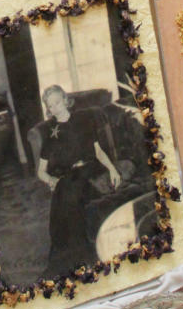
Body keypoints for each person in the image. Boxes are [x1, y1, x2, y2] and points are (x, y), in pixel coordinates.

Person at [36, 86, 122, 277]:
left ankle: (79, 257)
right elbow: (41, 171)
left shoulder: (84, 120)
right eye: (51, 106)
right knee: (64, 193)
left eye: (57, 102)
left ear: (65, 100)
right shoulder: (50, 133)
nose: (55, 108)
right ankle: (70, 258)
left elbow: (98, 152)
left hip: (90, 169)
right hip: (70, 176)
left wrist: (112, 169)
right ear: (48, 109)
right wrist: (51, 180)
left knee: (67, 191)